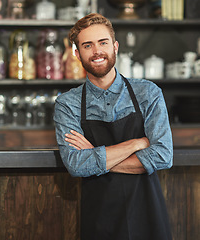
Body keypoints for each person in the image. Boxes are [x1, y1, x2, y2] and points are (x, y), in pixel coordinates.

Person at [54, 13, 173, 240]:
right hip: (100, 215)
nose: (97, 51)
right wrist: (136, 143)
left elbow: (163, 155)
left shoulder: (148, 93)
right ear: (77, 53)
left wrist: (95, 157)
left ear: (115, 46)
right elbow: (77, 165)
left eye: (103, 43)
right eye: (87, 45)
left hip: (147, 211)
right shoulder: (67, 104)